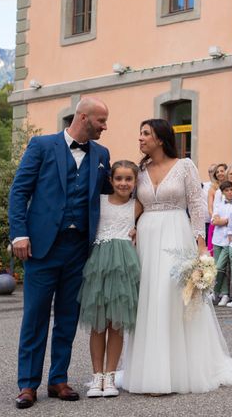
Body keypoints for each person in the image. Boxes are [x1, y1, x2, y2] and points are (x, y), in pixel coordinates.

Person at [122, 119, 232, 394]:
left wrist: (201, 245)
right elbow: (138, 204)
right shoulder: (140, 170)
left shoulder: (184, 166)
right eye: (140, 133)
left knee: (172, 297)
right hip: (146, 236)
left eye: (145, 134)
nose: (140, 138)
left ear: (160, 138)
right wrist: (125, 229)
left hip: (176, 234)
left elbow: (196, 204)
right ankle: (150, 369)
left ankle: (179, 369)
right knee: (149, 299)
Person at [8, 97, 111, 409]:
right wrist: (19, 234)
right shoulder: (41, 145)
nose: (105, 127)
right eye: (101, 121)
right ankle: (28, 384)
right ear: (82, 117)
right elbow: (19, 191)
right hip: (42, 247)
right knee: (35, 317)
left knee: (68, 318)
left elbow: (110, 196)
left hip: (79, 248)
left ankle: (58, 380)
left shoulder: (102, 154)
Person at [77, 160, 143, 398]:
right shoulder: (100, 202)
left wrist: (137, 231)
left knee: (117, 324)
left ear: (136, 182)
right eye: (119, 179)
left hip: (124, 265)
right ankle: (96, 377)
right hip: (99, 264)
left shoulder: (138, 206)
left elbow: (144, 228)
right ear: (111, 180)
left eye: (129, 179)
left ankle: (111, 376)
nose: (123, 183)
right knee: (98, 323)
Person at [212, 181, 232, 307]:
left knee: (220, 267)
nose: (229, 192)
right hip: (217, 239)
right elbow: (214, 221)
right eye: (226, 190)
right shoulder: (218, 205)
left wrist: (223, 221)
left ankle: (216, 292)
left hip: (229, 240)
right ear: (222, 192)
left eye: (231, 189)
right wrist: (226, 221)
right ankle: (224, 293)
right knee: (217, 267)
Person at [207, 163, 228, 252]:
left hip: (228, 222)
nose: (219, 173)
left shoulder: (231, 187)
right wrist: (215, 218)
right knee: (215, 252)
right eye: (217, 172)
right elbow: (210, 207)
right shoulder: (212, 189)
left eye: (222, 171)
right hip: (216, 222)